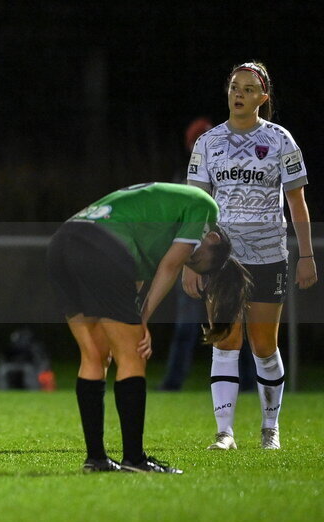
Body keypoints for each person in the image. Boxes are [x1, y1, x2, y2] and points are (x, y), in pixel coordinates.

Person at [47, 182, 250, 474]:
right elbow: (169, 266)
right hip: (103, 246)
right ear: (213, 237)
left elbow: (134, 281)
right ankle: (135, 460)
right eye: (197, 259)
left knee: (95, 355)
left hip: (63, 242)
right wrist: (142, 320)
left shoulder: (154, 230)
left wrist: (135, 313)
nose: (190, 260)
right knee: (133, 355)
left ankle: (97, 459)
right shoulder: (206, 207)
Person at [185, 61, 316, 451]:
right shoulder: (208, 143)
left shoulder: (280, 140)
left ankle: (269, 428)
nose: (238, 94)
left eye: (247, 88)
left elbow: (297, 203)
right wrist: (193, 260)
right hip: (223, 259)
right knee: (225, 339)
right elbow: (196, 204)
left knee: (263, 345)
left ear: (262, 98)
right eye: (233, 87)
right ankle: (224, 433)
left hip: (268, 255)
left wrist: (306, 254)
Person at [160, 118, 258, 391]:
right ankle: (173, 383)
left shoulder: (234, 174)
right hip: (194, 262)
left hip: (226, 261)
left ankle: (249, 383)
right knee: (186, 327)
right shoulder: (184, 179)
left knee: (235, 324)